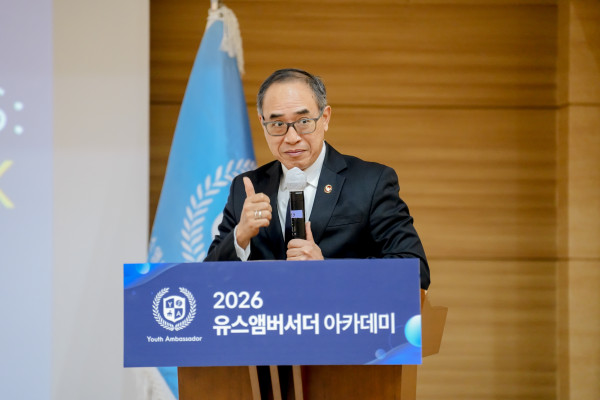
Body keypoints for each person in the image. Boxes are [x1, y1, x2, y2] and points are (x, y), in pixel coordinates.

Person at [206, 68, 430, 290]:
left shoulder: (370, 182)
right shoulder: (246, 188)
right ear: (262, 123)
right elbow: (204, 279)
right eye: (278, 124)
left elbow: (415, 271)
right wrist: (240, 236)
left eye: (303, 121)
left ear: (325, 118)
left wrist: (326, 269)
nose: (292, 138)